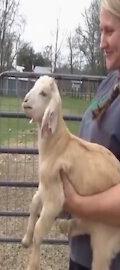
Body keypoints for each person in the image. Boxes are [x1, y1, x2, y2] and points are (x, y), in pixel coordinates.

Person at [62, 0, 120, 269]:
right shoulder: (111, 82)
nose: (101, 43)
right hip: (83, 254)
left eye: (109, 31)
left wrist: (76, 203)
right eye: (100, 31)